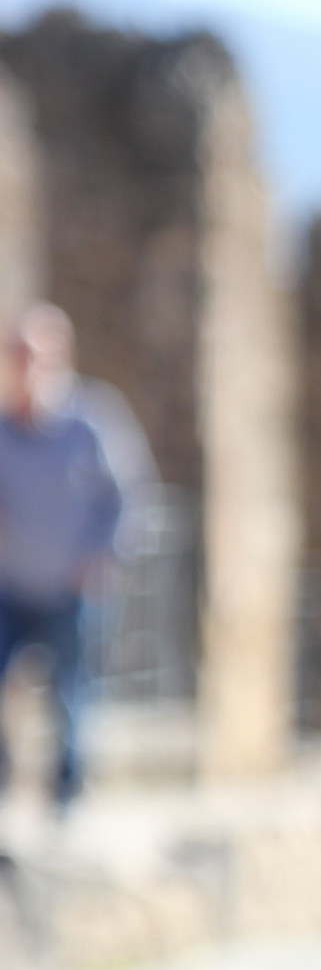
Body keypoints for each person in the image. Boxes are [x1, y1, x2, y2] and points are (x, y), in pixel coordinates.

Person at [0, 303, 134, 810]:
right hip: (11, 584)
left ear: (60, 357)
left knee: (70, 695)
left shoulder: (92, 422)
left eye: (32, 354)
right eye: (16, 354)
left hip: (70, 587)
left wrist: (101, 559)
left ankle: (67, 798)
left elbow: (125, 498)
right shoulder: (3, 429)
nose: (24, 364)